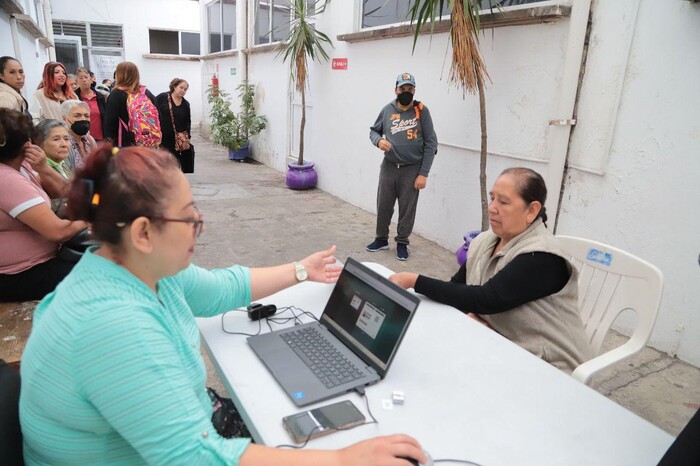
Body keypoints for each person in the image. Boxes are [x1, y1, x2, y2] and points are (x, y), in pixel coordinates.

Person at [18, 143, 427, 466]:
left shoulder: (135, 264)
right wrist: (341, 461)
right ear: (143, 232)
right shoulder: (114, 325)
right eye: (189, 216)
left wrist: (300, 270)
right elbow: (194, 457)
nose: (199, 223)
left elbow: (220, 288)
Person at [389, 167, 593, 374]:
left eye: (503, 202)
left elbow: (487, 299)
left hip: (550, 367)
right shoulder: (485, 241)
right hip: (504, 347)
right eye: (492, 198)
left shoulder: (542, 257)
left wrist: (413, 280)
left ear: (531, 210)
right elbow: (458, 289)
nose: (493, 208)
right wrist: (474, 315)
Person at [0, 109, 87, 301]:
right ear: (27, 144)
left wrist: (42, 167)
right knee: (104, 272)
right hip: (19, 274)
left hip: (37, 264)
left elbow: (64, 190)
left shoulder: (22, 168)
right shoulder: (6, 179)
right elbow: (58, 232)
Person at [367, 72, 438, 261]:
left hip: (412, 168)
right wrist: (378, 141)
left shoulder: (422, 111)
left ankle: (402, 243)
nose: (406, 92)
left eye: (410, 89)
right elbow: (373, 131)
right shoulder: (387, 110)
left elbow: (431, 143)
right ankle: (381, 239)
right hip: (389, 166)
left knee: (407, 209)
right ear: (396, 90)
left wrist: (423, 173)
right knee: (384, 205)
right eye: (402, 89)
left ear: (414, 90)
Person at [103, 61, 160, 147]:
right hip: (148, 144)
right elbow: (159, 117)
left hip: (125, 145)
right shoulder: (146, 93)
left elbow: (109, 124)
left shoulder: (116, 94)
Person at [156, 78, 193, 172]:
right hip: (163, 137)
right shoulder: (162, 97)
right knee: (163, 160)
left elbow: (187, 121)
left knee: (175, 161)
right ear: (175, 86)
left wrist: (187, 136)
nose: (183, 91)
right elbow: (153, 111)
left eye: (185, 89)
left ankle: (174, 180)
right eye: (181, 87)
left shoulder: (185, 104)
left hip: (178, 139)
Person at [35, 119, 72, 212]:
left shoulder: (63, 164)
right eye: (56, 139)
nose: (64, 144)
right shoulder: (38, 172)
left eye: (66, 139)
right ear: (40, 144)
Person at [61, 99, 98, 173]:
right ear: (64, 119)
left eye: (87, 116)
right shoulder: (63, 144)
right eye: (77, 116)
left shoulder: (90, 140)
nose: (83, 119)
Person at [74, 67, 105, 140]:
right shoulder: (74, 97)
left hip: (101, 137)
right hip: (82, 138)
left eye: (86, 77)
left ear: (91, 80)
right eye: (80, 78)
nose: (84, 80)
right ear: (77, 81)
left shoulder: (100, 97)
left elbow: (105, 117)